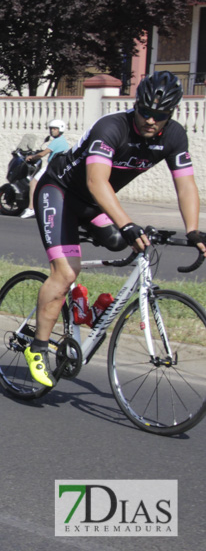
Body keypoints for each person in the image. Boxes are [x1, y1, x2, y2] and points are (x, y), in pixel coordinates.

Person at [25, 71, 205, 387]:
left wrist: (193, 230)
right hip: (60, 191)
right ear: (135, 105)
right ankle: (37, 348)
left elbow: (186, 184)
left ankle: (80, 303)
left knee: (119, 243)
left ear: (171, 114)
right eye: (145, 111)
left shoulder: (174, 136)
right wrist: (129, 223)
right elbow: (96, 181)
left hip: (92, 204)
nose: (151, 120)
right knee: (65, 272)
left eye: (159, 115)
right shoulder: (111, 128)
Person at [19, 119, 70, 219]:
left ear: (60, 129)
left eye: (55, 129)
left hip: (51, 166)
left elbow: (43, 154)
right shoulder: (63, 141)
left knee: (33, 182)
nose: (52, 131)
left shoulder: (56, 141)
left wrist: (32, 157)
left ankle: (31, 208)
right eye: (51, 129)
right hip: (57, 167)